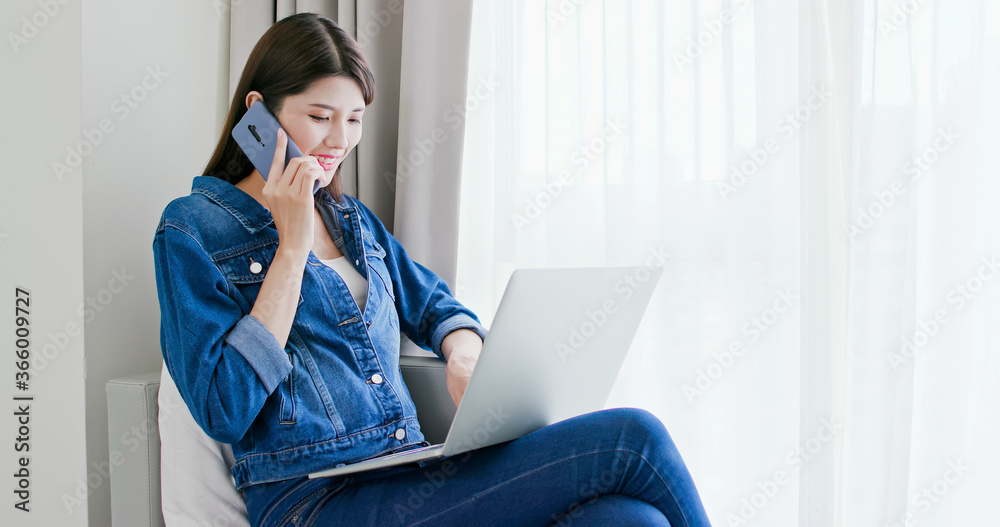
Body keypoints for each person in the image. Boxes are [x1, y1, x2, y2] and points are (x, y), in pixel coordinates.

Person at [153, 12, 712, 527]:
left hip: (406, 474)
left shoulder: (352, 221)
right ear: (259, 113)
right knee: (634, 436)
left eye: (353, 119)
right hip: (311, 501)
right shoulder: (191, 229)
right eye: (320, 117)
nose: (339, 141)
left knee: (627, 520)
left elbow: (435, 305)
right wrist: (291, 251)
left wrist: (464, 350)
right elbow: (224, 407)